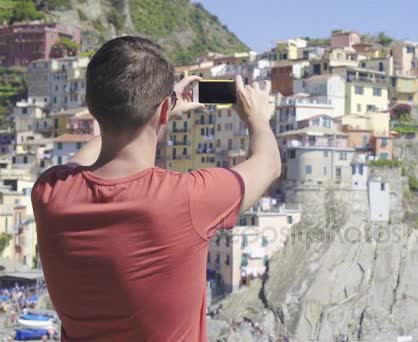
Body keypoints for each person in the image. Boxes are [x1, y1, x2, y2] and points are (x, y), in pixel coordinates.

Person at [31, 36, 281, 341]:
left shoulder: (49, 193)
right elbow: (268, 163)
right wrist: (257, 117)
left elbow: (80, 161)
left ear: (91, 108)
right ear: (163, 112)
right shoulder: (187, 200)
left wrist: (153, 114)